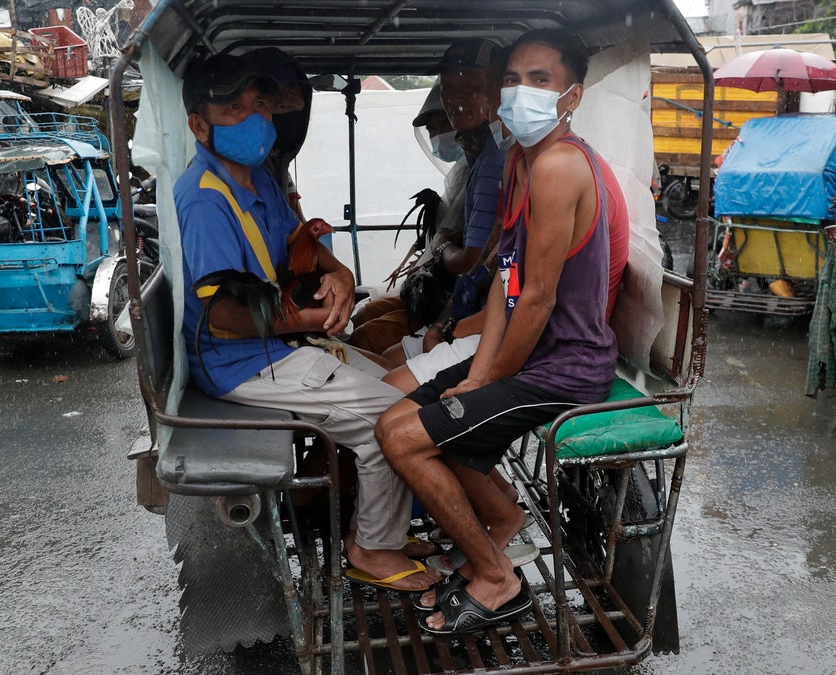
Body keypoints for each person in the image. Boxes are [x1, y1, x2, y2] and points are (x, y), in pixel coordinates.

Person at [376, 29, 619, 635]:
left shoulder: (559, 166)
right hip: (526, 354)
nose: (519, 92)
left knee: (408, 441)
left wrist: (486, 380)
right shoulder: (521, 160)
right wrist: (478, 373)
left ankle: (496, 580)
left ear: (572, 97)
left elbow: (537, 299)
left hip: (565, 367)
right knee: (394, 420)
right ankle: (504, 523)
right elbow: (506, 284)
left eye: (540, 80)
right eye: (512, 78)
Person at [174, 51, 437, 592]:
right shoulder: (204, 198)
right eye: (233, 108)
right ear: (199, 125)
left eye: (261, 105)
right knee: (390, 421)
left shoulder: (257, 179)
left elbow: (299, 243)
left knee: (403, 391)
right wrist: (309, 320)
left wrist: (338, 272)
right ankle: (371, 547)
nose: (255, 118)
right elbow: (223, 314)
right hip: (240, 361)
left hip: (278, 345)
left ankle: (377, 520)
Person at [349, 39, 507, 355]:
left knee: (366, 342)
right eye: (448, 89)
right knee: (364, 325)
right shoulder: (482, 158)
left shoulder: (496, 162)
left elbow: (475, 265)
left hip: (476, 317)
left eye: (470, 89)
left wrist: (442, 246)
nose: (453, 101)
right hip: (463, 306)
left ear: (495, 90)